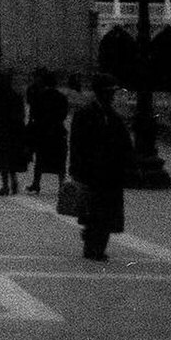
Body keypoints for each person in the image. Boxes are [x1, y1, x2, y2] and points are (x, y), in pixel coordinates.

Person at [69, 73, 132, 261]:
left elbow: (124, 144)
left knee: (105, 212)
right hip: (93, 171)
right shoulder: (88, 114)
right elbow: (77, 143)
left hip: (109, 172)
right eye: (109, 92)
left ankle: (98, 246)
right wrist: (76, 167)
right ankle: (92, 246)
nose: (111, 96)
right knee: (95, 212)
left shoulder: (110, 116)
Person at [24, 68, 70, 195]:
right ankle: (61, 184)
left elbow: (34, 113)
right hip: (57, 131)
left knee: (40, 159)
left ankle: (36, 183)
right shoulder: (61, 97)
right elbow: (64, 114)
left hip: (42, 131)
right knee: (60, 160)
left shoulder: (40, 97)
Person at [0, 69, 28, 195]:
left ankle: (5, 185)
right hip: (14, 131)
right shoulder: (16, 97)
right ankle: (13, 180)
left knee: (2, 159)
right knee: (12, 158)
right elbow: (21, 115)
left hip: (1, 131)